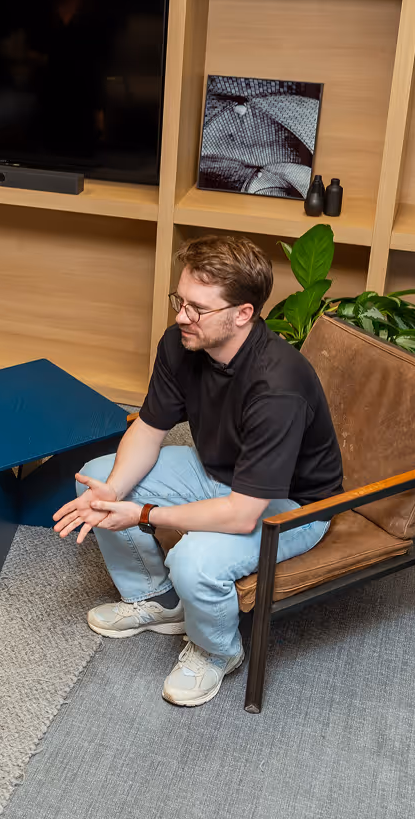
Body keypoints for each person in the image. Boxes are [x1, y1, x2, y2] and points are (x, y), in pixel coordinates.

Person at [53, 234, 343, 707]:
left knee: (193, 561)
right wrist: (114, 491)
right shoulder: (182, 343)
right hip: (217, 471)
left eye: (198, 309)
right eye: (180, 301)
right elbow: (149, 429)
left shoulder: (278, 387)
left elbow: (242, 516)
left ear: (243, 314)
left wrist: (142, 514)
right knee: (99, 477)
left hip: (290, 505)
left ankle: (216, 651)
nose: (181, 317)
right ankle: (157, 598)